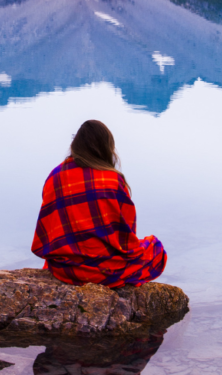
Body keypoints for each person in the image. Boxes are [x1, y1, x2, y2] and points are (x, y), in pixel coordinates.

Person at [31, 120, 167, 288]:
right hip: (106, 271)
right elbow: (126, 234)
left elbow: (49, 227)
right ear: (106, 147)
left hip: (64, 269)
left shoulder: (55, 176)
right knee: (156, 249)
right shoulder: (111, 179)